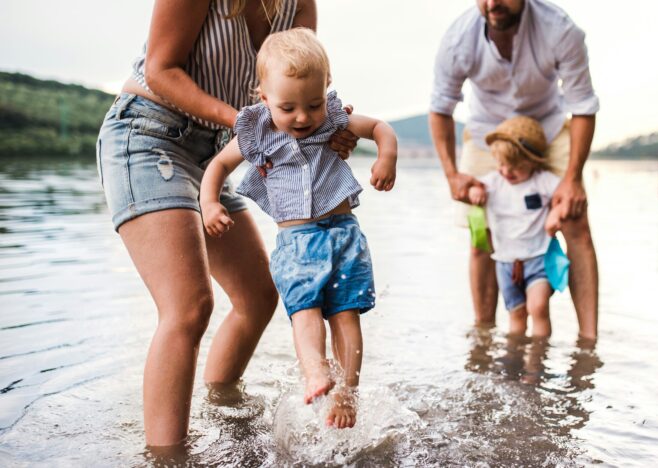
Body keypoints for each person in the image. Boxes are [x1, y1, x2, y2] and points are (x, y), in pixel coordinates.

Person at [96, 0, 357, 447]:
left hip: (217, 150)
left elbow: (299, 82)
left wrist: (327, 134)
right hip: (149, 135)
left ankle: (221, 406)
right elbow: (160, 69)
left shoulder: (299, 4)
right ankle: (167, 456)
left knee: (257, 296)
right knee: (189, 306)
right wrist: (247, 124)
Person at [200, 28, 398, 429]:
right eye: (288, 107)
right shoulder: (258, 134)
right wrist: (209, 202)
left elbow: (380, 128)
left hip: (344, 234)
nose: (303, 117)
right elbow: (218, 166)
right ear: (265, 99)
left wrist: (386, 158)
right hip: (297, 241)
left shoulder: (333, 120)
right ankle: (315, 371)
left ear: (327, 89)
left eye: (313, 103)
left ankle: (347, 395)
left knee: (346, 316)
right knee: (304, 311)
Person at [429, 0, 599, 340]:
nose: (493, 4)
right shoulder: (457, 40)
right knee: (480, 233)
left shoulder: (561, 30)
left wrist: (573, 179)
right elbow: (440, 108)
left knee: (575, 220)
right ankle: (484, 338)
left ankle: (589, 343)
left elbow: (582, 107)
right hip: (486, 134)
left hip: (546, 130)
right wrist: (452, 175)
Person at [464, 116, 565, 337]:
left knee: (538, 307)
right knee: (516, 315)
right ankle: (517, 361)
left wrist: (555, 214)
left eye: (516, 167)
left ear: (533, 161)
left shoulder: (543, 181)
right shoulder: (493, 182)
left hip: (538, 258)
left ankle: (537, 361)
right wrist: (475, 192)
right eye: (501, 164)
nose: (507, 171)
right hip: (505, 263)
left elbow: (563, 196)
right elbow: (472, 188)